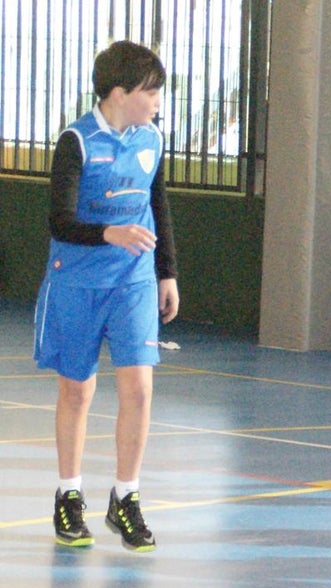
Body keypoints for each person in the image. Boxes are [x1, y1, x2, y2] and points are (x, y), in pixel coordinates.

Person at [34, 40, 178, 553]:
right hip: (77, 281)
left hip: (133, 282)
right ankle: (69, 496)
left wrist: (167, 274)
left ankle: (126, 497)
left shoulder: (153, 139)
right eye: (151, 89)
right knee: (78, 391)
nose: (159, 98)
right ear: (120, 92)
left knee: (139, 386)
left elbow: (157, 203)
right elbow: (60, 221)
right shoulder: (76, 140)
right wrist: (108, 233)